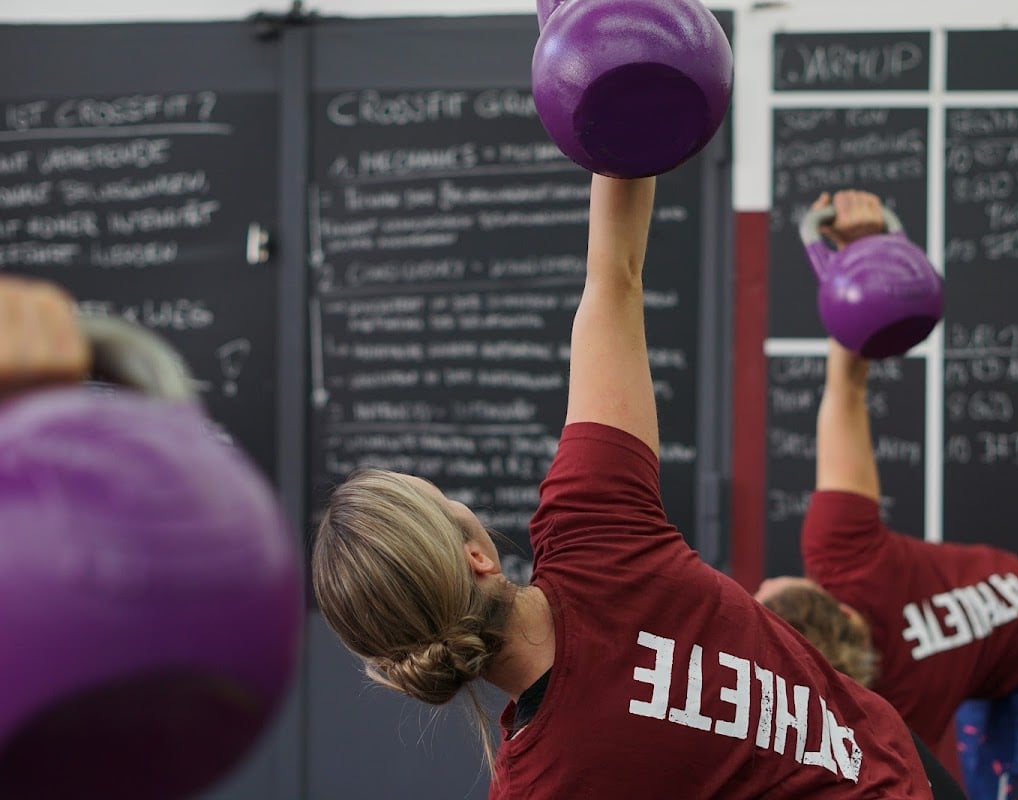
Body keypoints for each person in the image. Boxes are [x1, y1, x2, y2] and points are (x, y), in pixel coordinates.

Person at [311, 173, 945, 798]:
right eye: (444, 500)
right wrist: (621, 103)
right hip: (905, 770)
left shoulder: (538, 785)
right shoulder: (594, 526)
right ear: (477, 556)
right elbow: (614, 275)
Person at [755, 191, 1018, 800]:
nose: (760, 586)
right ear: (822, 600)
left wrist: (860, 271)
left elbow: (845, 392)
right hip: (991, 635)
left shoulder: (879, 696)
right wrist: (862, 252)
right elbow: (847, 388)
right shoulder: (845, 568)